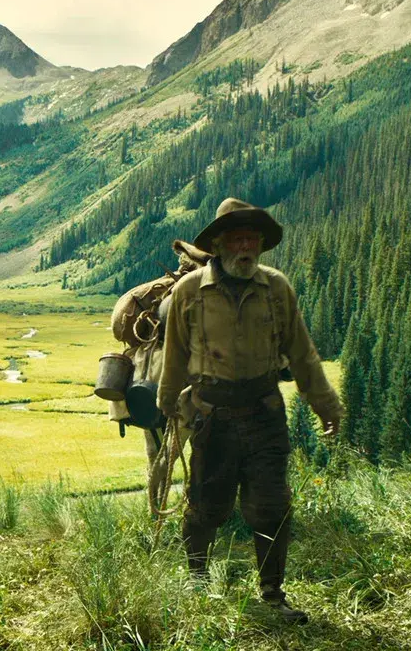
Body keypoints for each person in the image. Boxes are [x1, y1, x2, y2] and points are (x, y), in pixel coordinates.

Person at [158, 198, 344, 624]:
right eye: (237, 238)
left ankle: (272, 594)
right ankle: (198, 582)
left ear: (261, 243)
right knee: (206, 504)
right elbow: (175, 356)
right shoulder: (190, 292)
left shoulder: (276, 288)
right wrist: (168, 403)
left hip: (264, 415)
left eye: (252, 238)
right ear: (220, 244)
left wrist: (325, 405)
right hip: (213, 417)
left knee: (272, 506)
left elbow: (301, 352)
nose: (245, 247)